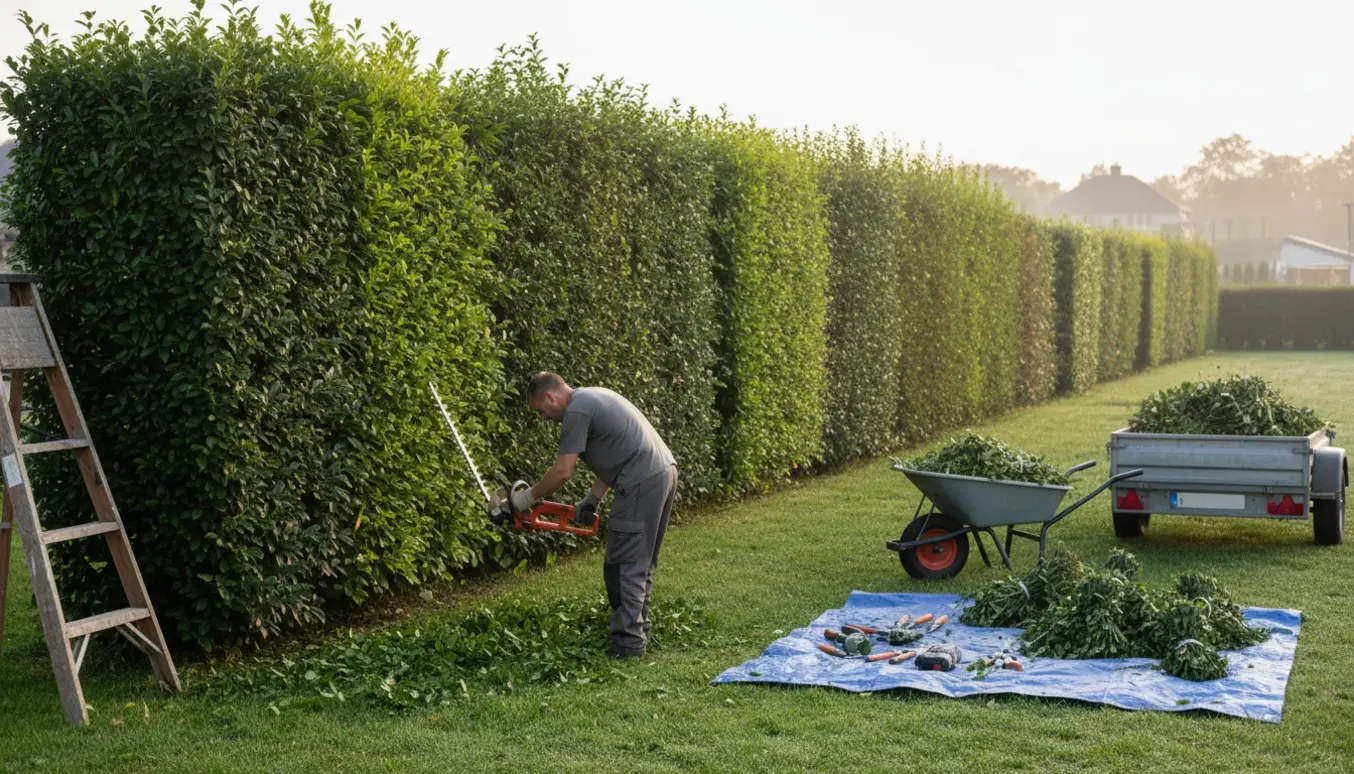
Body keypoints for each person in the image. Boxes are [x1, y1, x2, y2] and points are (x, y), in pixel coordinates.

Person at [513, 372, 679, 659]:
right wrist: (592, 499)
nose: (543, 417)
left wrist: (525, 498)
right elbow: (618, 453)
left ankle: (628, 644)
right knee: (638, 561)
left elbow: (563, 471)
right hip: (662, 472)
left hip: (641, 480)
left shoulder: (576, 410)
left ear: (550, 396)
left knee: (624, 564)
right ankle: (638, 629)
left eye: (540, 410)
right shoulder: (593, 395)